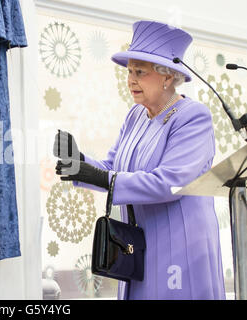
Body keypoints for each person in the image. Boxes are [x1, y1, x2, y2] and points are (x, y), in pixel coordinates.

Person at [54, 20, 226, 300]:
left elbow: (170, 182)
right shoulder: (135, 116)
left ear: (167, 77)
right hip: (137, 246)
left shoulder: (193, 117)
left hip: (180, 247)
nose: (130, 79)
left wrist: (100, 177)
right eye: (130, 71)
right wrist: (78, 162)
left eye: (140, 72)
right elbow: (112, 169)